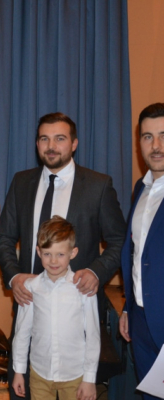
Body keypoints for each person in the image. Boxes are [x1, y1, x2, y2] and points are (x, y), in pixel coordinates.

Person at [0, 112, 126, 399]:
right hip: (29, 302)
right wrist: (15, 278)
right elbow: (4, 238)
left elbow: (119, 241)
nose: (51, 146)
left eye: (60, 139)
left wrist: (96, 272)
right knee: (22, 389)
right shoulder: (21, 182)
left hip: (77, 311)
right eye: (44, 139)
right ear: (37, 144)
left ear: (74, 143)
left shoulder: (98, 185)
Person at [12, 216, 100, 400]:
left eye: (60, 254)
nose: (53, 261)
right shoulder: (31, 287)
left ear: (73, 252)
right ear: (38, 251)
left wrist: (90, 378)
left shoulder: (83, 288)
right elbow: (22, 332)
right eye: (47, 254)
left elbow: (93, 335)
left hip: (75, 375)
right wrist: (19, 371)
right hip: (40, 374)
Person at [119, 103, 164, 400]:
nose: (156, 145)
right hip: (141, 322)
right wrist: (127, 308)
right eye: (148, 137)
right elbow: (137, 255)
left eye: (163, 135)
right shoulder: (141, 188)